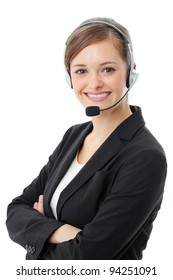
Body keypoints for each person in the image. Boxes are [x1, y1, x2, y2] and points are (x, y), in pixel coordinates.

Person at [6, 17, 167, 260]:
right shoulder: (74, 135)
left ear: (130, 73)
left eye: (108, 69)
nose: (94, 83)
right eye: (81, 71)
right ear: (70, 77)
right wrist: (62, 231)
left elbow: (90, 256)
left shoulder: (145, 157)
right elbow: (16, 211)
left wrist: (40, 230)